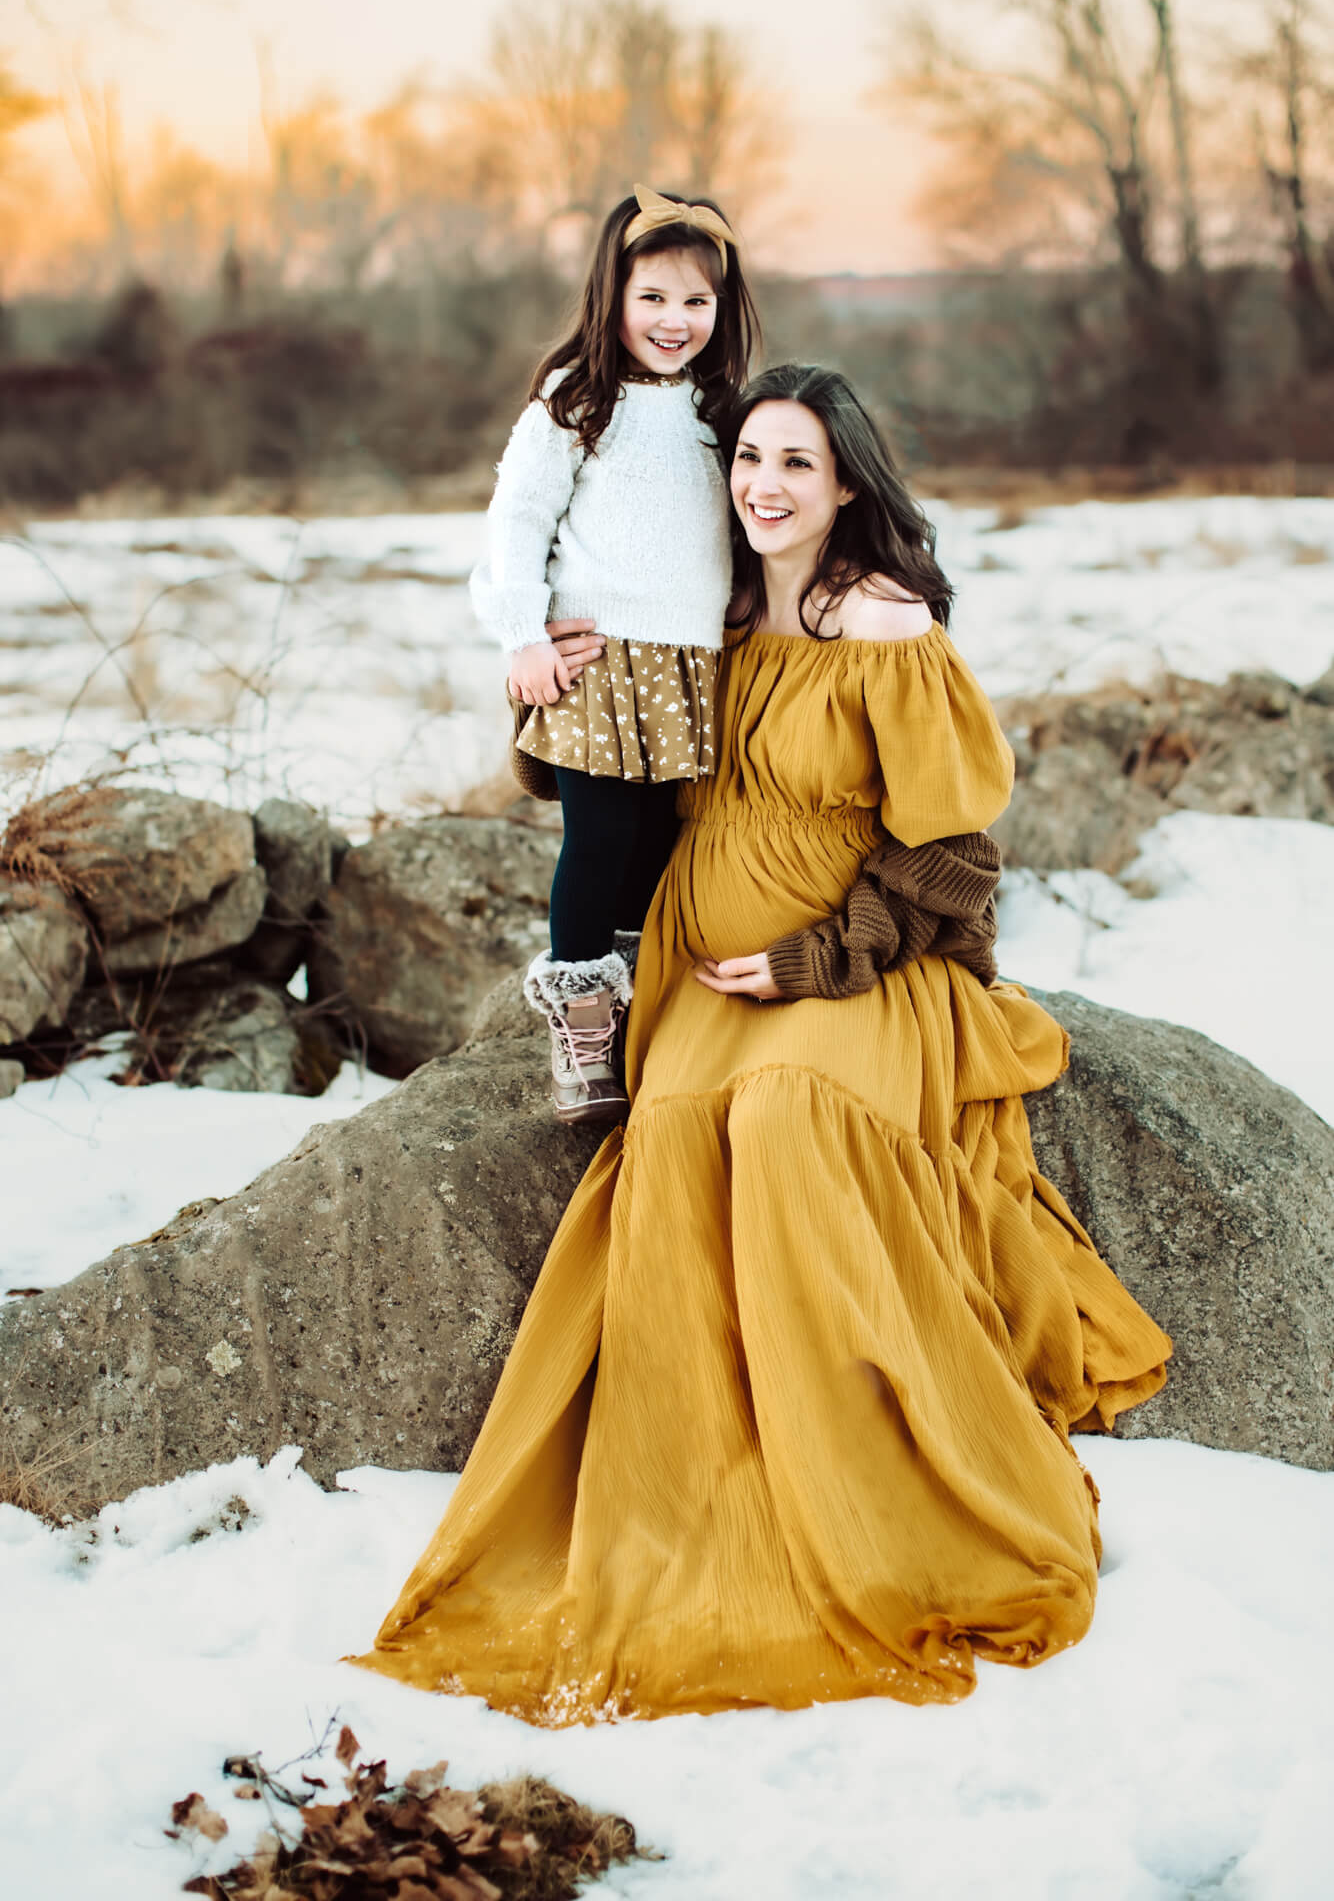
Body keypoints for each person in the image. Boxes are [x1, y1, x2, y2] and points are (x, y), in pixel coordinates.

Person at [351, 364, 1171, 1723]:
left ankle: (868, 1493)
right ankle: (689, 1503)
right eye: (745, 459)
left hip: (859, 976)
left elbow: (956, 857)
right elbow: (597, 772)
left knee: (786, 1118)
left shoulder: (885, 628)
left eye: (794, 462)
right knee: (670, 1138)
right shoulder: (701, 615)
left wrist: (814, 957)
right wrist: (543, 660)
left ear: (846, 482)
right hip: (699, 972)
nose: (762, 485)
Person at [470, 183, 759, 1125]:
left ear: (723, 308)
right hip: (594, 662)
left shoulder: (727, 410)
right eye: (654, 299)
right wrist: (521, 632)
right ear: (612, 297)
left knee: (662, 843)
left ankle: (649, 1002)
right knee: (597, 839)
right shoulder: (577, 401)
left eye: (697, 302)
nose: (676, 321)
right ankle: (583, 1028)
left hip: (691, 665)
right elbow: (516, 523)